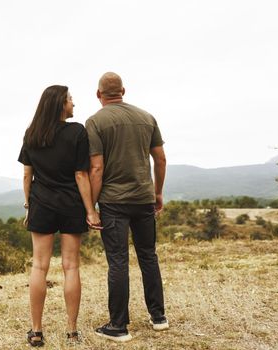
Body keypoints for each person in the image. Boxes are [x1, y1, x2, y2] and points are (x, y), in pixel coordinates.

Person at [85, 72, 169, 342]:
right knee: (148, 256)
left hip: (113, 202)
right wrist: (157, 192)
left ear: (99, 94)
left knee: (118, 261)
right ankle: (159, 317)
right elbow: (161, 159)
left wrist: (92, 206)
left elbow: (96, 168)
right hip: (143, 197)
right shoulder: (147, 117)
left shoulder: (95, 122)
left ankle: (118, 326)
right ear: (123, 90)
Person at [18, 85, 102, 347]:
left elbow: (26, 175)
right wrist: (91, 210)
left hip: (42, 204)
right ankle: (72, 331)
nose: (73, 103)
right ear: (60, 104)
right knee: (71, 266)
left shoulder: (31, 134)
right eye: (70, 99)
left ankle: (37, 331)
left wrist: (28, 206)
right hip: (70, 205)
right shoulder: (77, 132)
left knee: (39, 266)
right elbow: (81, 174)